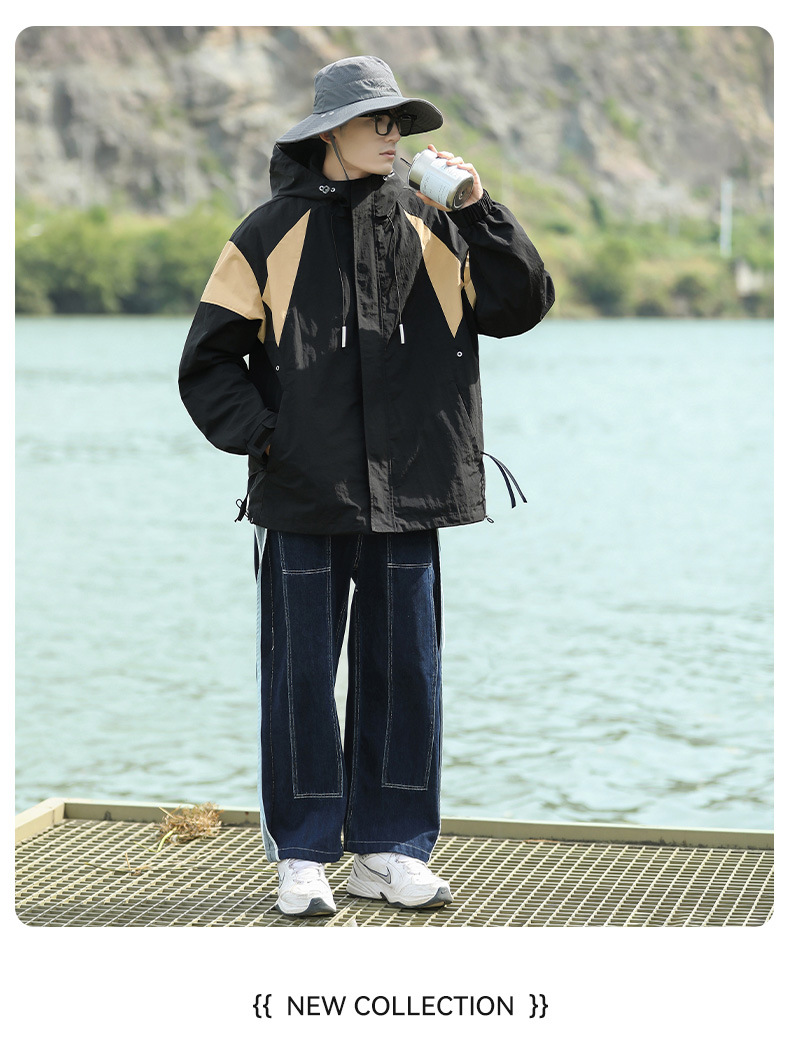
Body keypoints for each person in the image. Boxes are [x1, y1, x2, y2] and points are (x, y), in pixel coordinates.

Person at [179, 55, 555, 917]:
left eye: (400, 123)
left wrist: (479, 209)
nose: (394, 135)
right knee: (302, 680)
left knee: (406, 678)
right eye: (377, 121)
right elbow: (207, 365)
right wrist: (271, 439)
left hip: (414, 491)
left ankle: (389, 852)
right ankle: (304, 855)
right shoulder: (266, 233)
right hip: (303, 495)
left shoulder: (439, 222)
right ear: (329, 133)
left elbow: (521, 305)